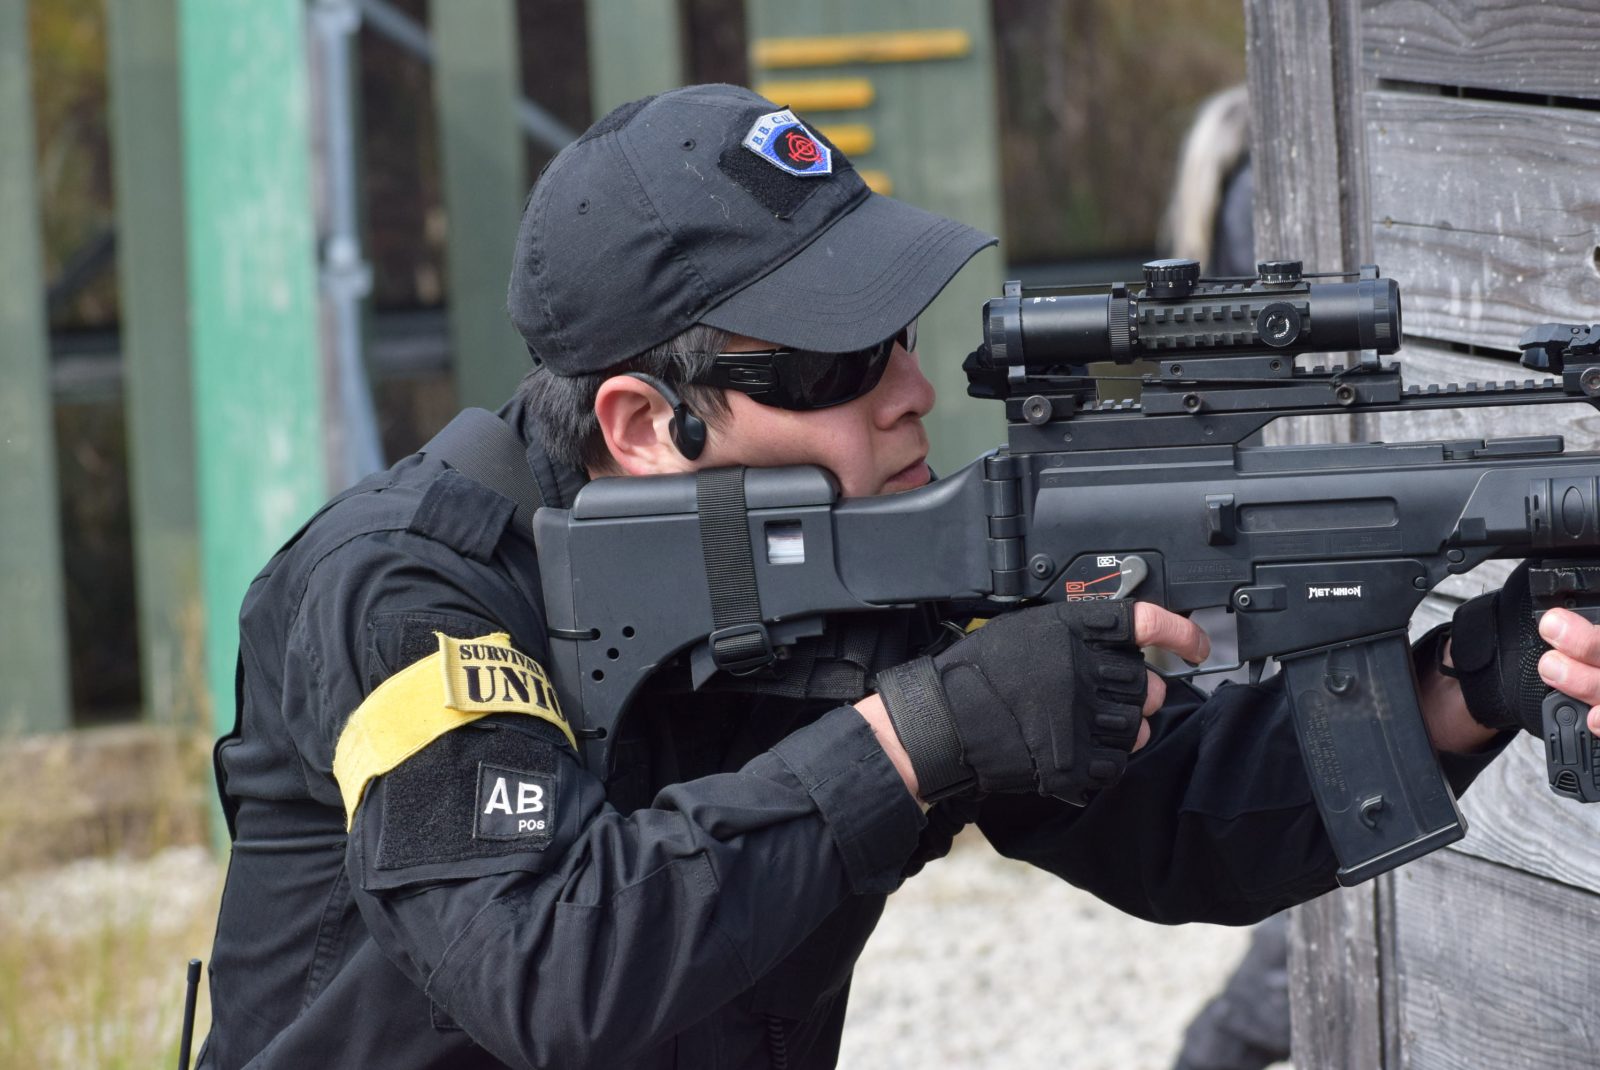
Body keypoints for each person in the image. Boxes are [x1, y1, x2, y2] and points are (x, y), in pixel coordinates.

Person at [197, 84, 1588, 1070]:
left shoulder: (865, 564)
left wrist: (1479, 675)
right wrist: (920, 736)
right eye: (839, 362)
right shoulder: (404, 594)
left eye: (902, 333)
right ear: (643, 423)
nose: (912, 391)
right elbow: (552, 966)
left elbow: (1183, 821)